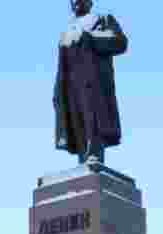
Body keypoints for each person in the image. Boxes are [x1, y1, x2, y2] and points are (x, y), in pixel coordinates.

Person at [53, 0, 129, 165]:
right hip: (71, 85)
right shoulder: (67, 31)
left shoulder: (102, 19)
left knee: (93, 119)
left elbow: (121, 42)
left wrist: (92, 38)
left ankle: (94, 154)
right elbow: (61, 65)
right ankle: (83, 159)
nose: (76, 1)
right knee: (76, 122)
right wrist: (57, 90)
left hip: (93, 83)